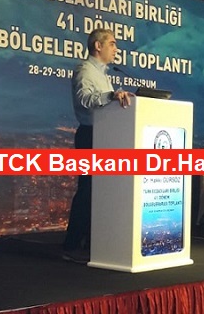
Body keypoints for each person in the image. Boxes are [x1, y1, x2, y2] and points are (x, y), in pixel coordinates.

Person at [63, 28, 134, 264]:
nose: (116, 49)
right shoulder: (85, 70)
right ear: (97, 46)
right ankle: (72, 246)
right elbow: (85, 99)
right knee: (88, 190)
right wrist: (110, 96)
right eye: (112, 43)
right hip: (89, 136)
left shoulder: (103, 74)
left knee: (100, 191)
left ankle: (92, 243)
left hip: (103, 136)